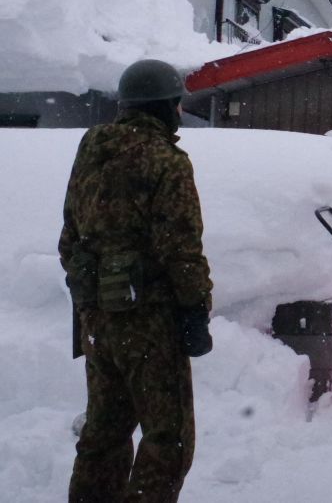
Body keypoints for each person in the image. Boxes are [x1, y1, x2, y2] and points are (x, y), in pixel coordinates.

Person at [59, 58, 214, 503]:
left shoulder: (92, 150)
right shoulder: (166, 161)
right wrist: (194, 310)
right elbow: (181, 249)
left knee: (103, 434)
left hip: (97, 319)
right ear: (165, 106)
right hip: (149, 321)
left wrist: (91, 294)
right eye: (177, 104)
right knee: (169, 439)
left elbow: (70, 235)